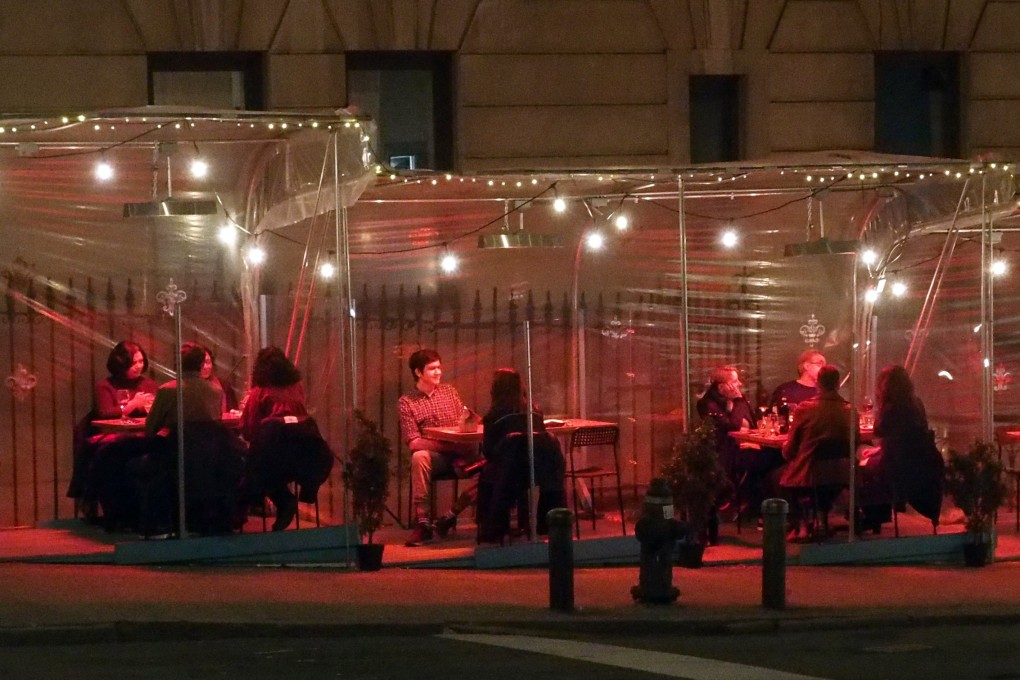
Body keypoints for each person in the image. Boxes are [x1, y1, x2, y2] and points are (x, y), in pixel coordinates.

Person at [241, 346, 333, 532]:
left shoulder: (260, 392)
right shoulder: (297, 386)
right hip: (307, 456)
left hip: (275, 458)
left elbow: (249, 429)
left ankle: (281, 501)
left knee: (256, 465)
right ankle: (307, 488)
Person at [67, 340, 158, 520]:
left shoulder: (148, 384)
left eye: (141, 362)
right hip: (111, 436)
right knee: (112, 457)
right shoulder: (106, 386)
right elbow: (104, 413)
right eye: (133, 363)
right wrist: (131, 406)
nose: (138, 366)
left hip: (140, 436)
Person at [398, 348, 480, 547]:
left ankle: (450, 516)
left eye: (439, 368)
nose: (438, 372)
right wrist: (447, 446)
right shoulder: (407, 401)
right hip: (439, 457)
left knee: (493, 470)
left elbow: (464, 419)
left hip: (461, 452)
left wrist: (471, 420)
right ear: (418, 372)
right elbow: (414, 441)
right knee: (419, 456)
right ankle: (423, 522)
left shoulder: (449, 392)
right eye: (432, 368)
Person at [478, 368, 565, 543]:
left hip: (507, 475)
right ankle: (542, 523)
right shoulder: (534, 412)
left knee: (485, 477)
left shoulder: (493, 416)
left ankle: (493, 527)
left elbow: (488, 451)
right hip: (535, 472)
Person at [780, 365, 854, 541]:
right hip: (842, 473)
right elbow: (855, 441)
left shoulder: (805, 409)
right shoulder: (850, 410)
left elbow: (790, 450)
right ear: (838, 385)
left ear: (818, 384)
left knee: (777, 477)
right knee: (824, 482)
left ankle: (798, 526)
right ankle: (821, 520)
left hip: (811, 474)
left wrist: (785, 449)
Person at [870, 365, 944, 527]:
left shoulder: (891, 408)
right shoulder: (916, 402)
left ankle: (875, 515)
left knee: (867, 469)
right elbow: (906, 436)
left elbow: (879, 431)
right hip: (922, 459)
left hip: (900, 464)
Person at [695, 365, 755, 542]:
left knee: (771, 460)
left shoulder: (738, 399)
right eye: (735, 381)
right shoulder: (707, 404)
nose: (740, 384)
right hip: (723, 454)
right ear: (722, 386)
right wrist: (737, 402)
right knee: (759, 465)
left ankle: (752, 506)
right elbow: (732, 426)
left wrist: (738, 404)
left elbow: (752, 422)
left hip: (744, 448)